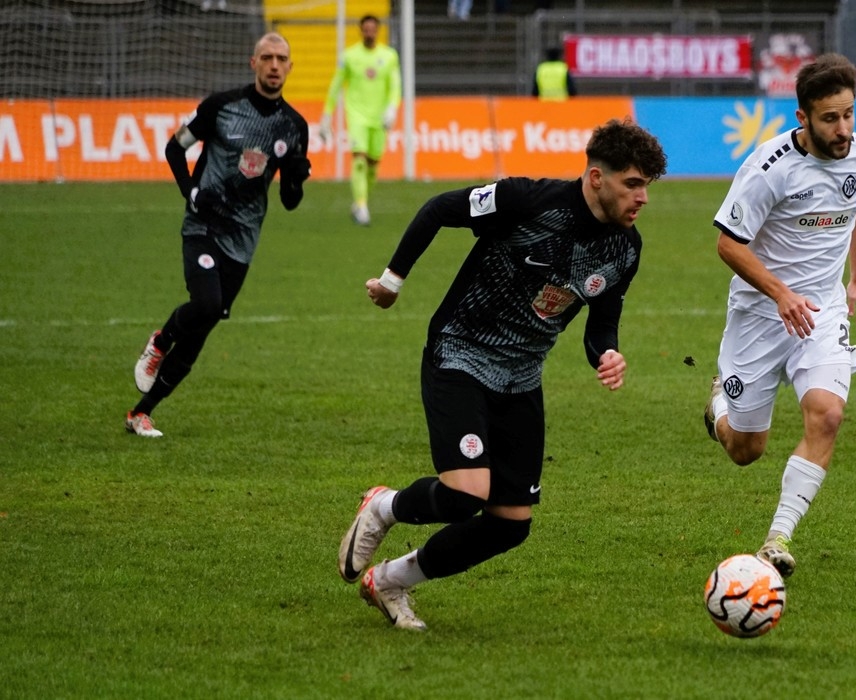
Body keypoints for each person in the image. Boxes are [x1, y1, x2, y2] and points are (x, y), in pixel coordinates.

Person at [339, 118, 666, 630]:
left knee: (510, 524)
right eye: (633, 184)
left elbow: (602, 323)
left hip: (522, 377)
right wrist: (392, 281)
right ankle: (384, 507)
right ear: (596, 178)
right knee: (465, 493)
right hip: (461, 353)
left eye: (647, 186)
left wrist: (607, 354)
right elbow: (438, 209)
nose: (642, 197)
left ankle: (390, 581)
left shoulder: (626, 248)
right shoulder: (527, 201)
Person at [704, 53, 856, 576]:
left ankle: (776, 539)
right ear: (802, 118)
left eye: (848, 114)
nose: (843, 128)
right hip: (761, 314)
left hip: (822, 310)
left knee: (828, 414)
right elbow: (728, 244)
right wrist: (781, 293)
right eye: (830, 118)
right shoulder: (769, 169)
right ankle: (718, 403)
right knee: (745, 449)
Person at [126, 32, 311, 438]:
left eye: (281, 59)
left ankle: (141, 413)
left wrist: (297, 179)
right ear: (253, 62)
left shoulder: (295, 126)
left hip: (243, 241)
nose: (274, 65)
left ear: (290, 67)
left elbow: (290, 201)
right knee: (206, 303)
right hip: (204, 225)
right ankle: (160, 341)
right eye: (267, 57)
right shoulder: (220, 107)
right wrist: (192, 193)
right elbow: (174, 148)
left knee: (202, 329)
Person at [319, 15, 401, 226]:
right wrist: (327, 115)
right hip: (356, 115)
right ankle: (362, 206)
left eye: (373, 29)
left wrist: (392, 108)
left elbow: (395, 85)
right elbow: (336, 85)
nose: (369, 33)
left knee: (373, 166)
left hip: (379, 117)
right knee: (359, 160)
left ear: (378, 31)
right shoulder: (349, 56)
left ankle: (359, 203)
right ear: (361, 31)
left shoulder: (389, 56)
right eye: (366, 29)